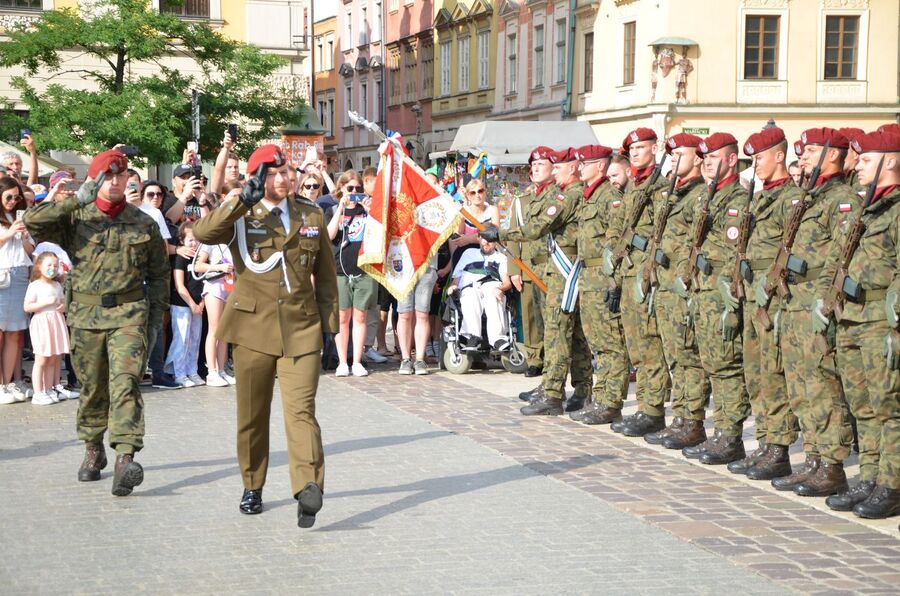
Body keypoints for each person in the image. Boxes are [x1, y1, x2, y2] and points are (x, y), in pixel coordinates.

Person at [192, 144, 338, 528]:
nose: (284, 179)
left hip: (300, 328)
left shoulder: (311, 213)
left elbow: (324, 275)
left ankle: (308, 487)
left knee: (302, 412)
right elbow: (203, 232)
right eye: (273, 173)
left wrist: (330, 329)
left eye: (286, 171)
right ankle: (252, 484)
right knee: (252, 415)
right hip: (252, 327)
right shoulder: (242, 213)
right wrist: (239, 200)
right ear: (259, 177)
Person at [23, 148, 170, 497]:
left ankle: (125, 456)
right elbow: (33, 222)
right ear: (96, 178)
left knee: (126, 385)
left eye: (122, 175)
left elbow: (159, 274)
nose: (117, 181)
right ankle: (93, 448)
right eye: (109, 175)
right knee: (92, 388)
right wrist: (76, 199)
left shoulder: (143, 221)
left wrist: (153, 321)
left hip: (129, 315)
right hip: (86, 317)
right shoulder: (75, 218)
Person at [813, 130, 900, 518]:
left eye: (866, 160)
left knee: (890, 408)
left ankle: (891, 485)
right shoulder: (867, 207)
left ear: (891, 161)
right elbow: (839, 257)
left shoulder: (895, 210)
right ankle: (869, 479)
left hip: (881, 321)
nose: (858, 165)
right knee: (862, 407)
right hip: (850, 317)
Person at [765, 128, 856, 497]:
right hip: (794, 302)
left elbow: (842, 255)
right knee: (800, 386)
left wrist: (825, 299)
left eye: (813, 150)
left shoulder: (842, 200)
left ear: (832, 155)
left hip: (814, 301)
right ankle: (815, 459)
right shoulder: (810, 196)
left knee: (822, 386)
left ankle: (832, 467)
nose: (802, 156)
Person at [484, 148, 592, 415]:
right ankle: (576, 390)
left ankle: (554, 394)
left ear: (573, 168)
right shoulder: (562, 194)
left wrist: (499, 232)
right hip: (554, 270)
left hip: (564, 271)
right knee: (567, 333)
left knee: (557, 334)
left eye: (558, 167)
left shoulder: (570, 195)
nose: (553, 172)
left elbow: (535, 228)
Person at [672, 132, 750, 465]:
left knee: (726, 368)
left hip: (721, 295)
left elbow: (737, 249)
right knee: (711, 365)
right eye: (703, 159)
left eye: (713, 159)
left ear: (732, 160)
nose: (706, 165)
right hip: (701, 293)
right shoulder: (707, 196)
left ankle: (730, 437)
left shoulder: (737, 199)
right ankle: (718, 432)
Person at [731, 127, 800, 481]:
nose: (755, 165)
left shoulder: (791, 199)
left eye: (759, 158)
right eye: (753, 159)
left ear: (779, 155)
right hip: (751, 293)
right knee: (755, 373)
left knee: (774, 373)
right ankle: (765, 442)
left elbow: (792, 252)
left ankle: (780, 448)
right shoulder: (759, 198)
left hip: (773, 297)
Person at [636, 134, 711, 449]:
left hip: (683, 286)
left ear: (698, 158)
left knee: (688, 356)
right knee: (674, 355)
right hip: (664, 284)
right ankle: (679, 417)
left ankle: (693, 421)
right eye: (673, 154)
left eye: (682, 154)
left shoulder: (699, 195)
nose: (676, 159)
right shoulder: (671, 193)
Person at [602, 127, 671, 437]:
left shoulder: (661, 188)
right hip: (628, 272)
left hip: (645, 272)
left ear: (654, 149)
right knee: (637, 347)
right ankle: (645, 407)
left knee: (650, 344)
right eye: (631, 150)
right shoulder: (633, 188)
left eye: (641, 148)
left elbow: (662, 234)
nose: (635, 153)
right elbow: (617, 227)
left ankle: (653, 410)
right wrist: (613, 252)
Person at [569, 144, 632, 426]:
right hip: (588, 277)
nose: (580, 168)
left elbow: (617, 243)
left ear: (600, 166)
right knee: (597, 343)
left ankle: (610, 403)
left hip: (602, 277)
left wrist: (614, 283)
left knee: (610, 344)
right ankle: (600, 397)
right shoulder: (589, 197)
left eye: (585, 163)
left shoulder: (610, 198)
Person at [503, 148, 553, 379]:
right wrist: (514, 269)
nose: (535, 168)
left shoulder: (557, 198)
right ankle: (535, 358)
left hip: (553, 266)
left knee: (552, 315)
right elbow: (513, 238)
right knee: (531, 316)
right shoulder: (520, 202)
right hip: (528, 266)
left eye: (541, 164)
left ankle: (554, 357)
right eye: (533, 165)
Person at [326, 171, 378, 377]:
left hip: (363, 270)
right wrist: (340, 208)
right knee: (341, 318)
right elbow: (329, 235)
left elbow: (378, 235)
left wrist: (370, 212)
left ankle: (357, 360)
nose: (354, 193)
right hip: (339, 271)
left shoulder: (367, 211)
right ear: (341, 189)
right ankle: (342, 362)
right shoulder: (332, 209)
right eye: (350, 189)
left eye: (358, 189)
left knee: (360, 316)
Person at [0, 177, 35, 404]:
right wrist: (9, 232)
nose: (13, 201)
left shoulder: (22, 217)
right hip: (3, 275)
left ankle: (8, 382)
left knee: (15, 333)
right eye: (8, 197)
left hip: (21, 273)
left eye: (16, 197)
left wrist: (22, 235)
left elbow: (31, 249)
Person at [447, 236, 511, 350]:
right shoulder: (468, 253)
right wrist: (452, 287)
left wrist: (501, 289)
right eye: (483, 239)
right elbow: (456, 279)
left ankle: (498, 339)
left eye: (490, 240)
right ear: (479, 239)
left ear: (495, 242)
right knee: (470, 295)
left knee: (493, 295)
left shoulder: (501, 257)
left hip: (492, 284)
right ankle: (473, 337)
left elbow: (507, 282)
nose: (486, 243)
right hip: (470, 286)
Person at [23, 252, 70, 405]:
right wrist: (46, 302)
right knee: (41, 358)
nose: (52, 268)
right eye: (49, 265)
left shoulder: (57, 285)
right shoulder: (34, 285)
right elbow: (27, 307)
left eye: (55, 266)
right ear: (39, 266)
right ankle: (38, 392)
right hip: (42, 323)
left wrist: (63, 307)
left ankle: (48, 388)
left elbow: (62, 303)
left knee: (52, 358)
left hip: (55, 321)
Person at [165, 221, 206, 388]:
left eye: (197, 240)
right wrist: (192, 304)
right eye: (190, 240)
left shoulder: (202, 258)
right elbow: (179, 285)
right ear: (181, 240)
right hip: (182, 304)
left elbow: (205, 282)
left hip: (198, 305)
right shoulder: (180, 258)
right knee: (182, 338)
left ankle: (192, 370)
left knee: (195, 338)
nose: (194, 243)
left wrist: (201, 303)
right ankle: (178, 372)